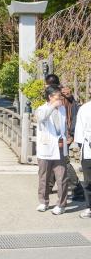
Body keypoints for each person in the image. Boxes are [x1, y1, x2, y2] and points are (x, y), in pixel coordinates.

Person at [45, 74, 84, 201]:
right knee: (53, 158)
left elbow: (67, 115)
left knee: (63, 161)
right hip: (62, 133)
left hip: (63, 133)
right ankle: (49, 185)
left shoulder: (61, 95)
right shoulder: (63, 93)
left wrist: (70, 134)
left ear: (50, 84)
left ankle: (77, 188)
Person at [35, 85, 68, 215]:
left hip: (59, 147)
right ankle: (43, 202)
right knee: (44, 176)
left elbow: (63, 126)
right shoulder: (41, 109)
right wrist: (53, 106)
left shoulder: (63, 109)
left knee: (62, 177)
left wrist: (65, 138)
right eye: (58, 96)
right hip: (46, 148)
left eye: (60, 96)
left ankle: (61, 204)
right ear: (50, 97)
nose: (60, 98)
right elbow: (41, 118)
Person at [74, 100, 91, 218]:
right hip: (88, 148)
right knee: (89, 180)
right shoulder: (85, 108)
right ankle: (89, 207)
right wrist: (81, 148)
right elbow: (79, 131)